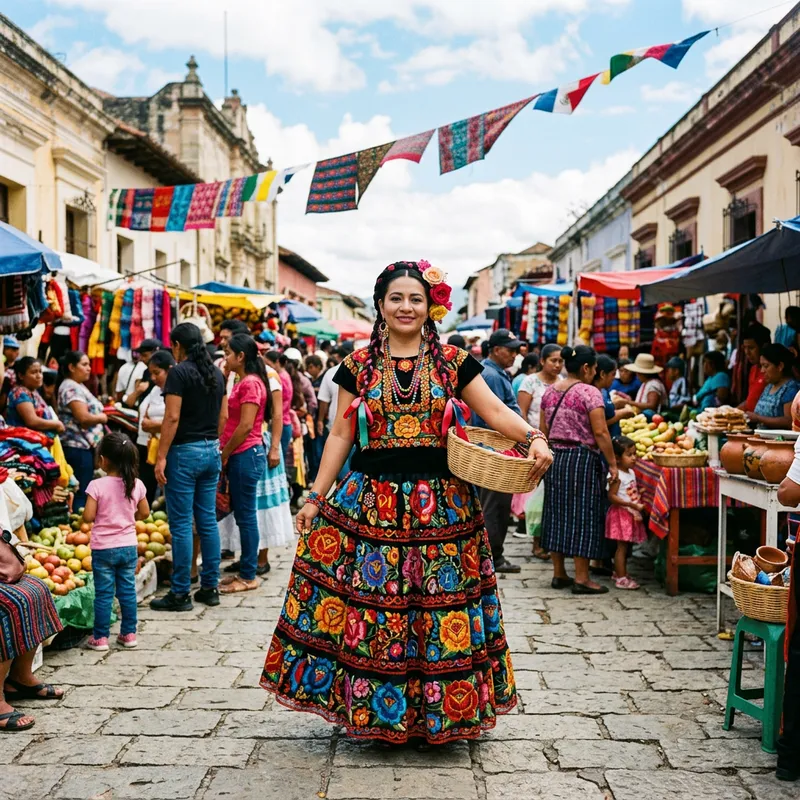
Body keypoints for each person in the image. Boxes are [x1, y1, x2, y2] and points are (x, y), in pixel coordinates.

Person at [261, 259, 552, 746]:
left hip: (443, 507)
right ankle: (380, 715)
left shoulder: (454, 362)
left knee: (438, 610)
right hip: (371, 506)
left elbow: (495, 411)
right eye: (396, 298)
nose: (406, 307)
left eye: (415, 298)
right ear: (380, 305)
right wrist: (315, 496)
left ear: (429, 306)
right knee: (379, 610)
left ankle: (441, 714)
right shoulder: (356, 366)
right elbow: (340, 434)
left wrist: (533, 437)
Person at [151, 323, 226, 612]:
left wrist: (161, 456)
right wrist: (211, 443)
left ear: (177, 346)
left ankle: (180, 592)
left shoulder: (178, 373)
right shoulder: (216, 374)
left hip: (184, 452)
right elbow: (223, 417)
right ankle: (210, 587)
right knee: (207, 520)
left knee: (181, 523)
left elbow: (171, 418)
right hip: (210, 450)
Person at [540, 345, 617, 595]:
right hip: (581, 458)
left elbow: (543, 430)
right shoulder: (590, 392)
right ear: (586, 368)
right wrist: (613, 463)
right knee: (583, 515)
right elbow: (601, 431)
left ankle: (559, 573)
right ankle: (582, 578)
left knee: (556, 512)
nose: (594, 372)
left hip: (555, 456)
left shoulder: (550, 391)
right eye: (594, 368)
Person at [83, 433, 149, 650]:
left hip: (103, 548)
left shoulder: (96, 485)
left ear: (103, 460)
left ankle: (100, 638)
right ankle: (129, 634)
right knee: (127, 591)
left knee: (104, 594)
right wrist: (128, 517)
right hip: (128, 546)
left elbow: (88, 516)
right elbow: (145, 513)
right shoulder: (136, 484)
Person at [218, 334, 270, 593]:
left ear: (241, 356)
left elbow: (246, 425)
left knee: (246, 516)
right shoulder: (245, 381)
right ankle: (246, 570)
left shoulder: (250, 383)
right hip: (243, 454)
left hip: (245, 454)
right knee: (243, 515)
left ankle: (249, 575)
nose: (225, 358)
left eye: (228, 353)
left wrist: (225, 452)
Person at [470, 328, 525, 573]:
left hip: (498, 449)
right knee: (494, 507)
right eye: (510, 350)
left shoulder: (496, 372)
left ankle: (492, 555)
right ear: (495, 349)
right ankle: (493, 557)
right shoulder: (490, 375)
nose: (514, 355)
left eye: (516, 350)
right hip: (495, 451)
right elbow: (491, 417)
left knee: (496, 506)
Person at [517, 344, 564, 561]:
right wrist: (528, 442)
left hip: (557, 445)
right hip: (535, 445)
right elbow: (521, 414)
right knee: (538, 496)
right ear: (542, 361)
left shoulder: (563, 382)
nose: (557, 365)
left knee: (552, 495)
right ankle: (537, 542)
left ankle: (552, 541)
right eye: (553, 360)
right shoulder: (530, 382)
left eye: (560, 361)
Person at [57, 350, 108, 509]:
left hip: (83, 447)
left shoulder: (77, 386)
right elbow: (84, 418)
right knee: (80, 491)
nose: (89, 368)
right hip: (76, 446)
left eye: (89, 365)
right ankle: (77, 520)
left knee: (83, 488)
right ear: (72, 367)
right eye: (84, 364)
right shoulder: (70, 388)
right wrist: (103, 417)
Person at [605, 436, 646, 591]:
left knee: (625, 547)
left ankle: (620, 572)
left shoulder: (630, 472)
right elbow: (612, 496)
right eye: (629, 455)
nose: (634, 458)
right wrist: (630, 504)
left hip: (629, 514)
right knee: (621, 548)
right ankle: (621, 578)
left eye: (635, 454)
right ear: (617, 458)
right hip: (621, 515)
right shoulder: (617, 477)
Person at [137, 350, 175, 504]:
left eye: (157, 373)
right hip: (153, 447)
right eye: (151, 373)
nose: (153, 378)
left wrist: (155, 425)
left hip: (172, 449)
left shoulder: (177, 391)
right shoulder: (155, 390)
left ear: (169, 370)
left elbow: (177, 420)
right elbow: (145, 418)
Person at [5, 357, 65, 435]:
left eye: (40, 372)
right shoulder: (20, 393)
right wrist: (56, 424)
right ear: (21, 375)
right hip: (24, 439)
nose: (39, 376)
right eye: (34, 372)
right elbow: (31, 421)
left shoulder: (33, 391)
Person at [748, 344, 800, 430]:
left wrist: (758, 418)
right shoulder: (769, 387)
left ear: (780, 366)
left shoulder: (791, 388)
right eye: (761, 366)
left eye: (766, 366)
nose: (762, 371)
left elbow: (789, 421)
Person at [265, 351, 294, 471]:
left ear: (277, 362)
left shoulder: (277, 378)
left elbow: (277, 409)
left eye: (267, 364)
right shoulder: (284, 375)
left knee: (276, 463)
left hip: (280, 424)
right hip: (284, 422)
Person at [594, 354, 633, 439]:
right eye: (613, 374)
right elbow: (598, 426)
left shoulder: (604, 391)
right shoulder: (594, 396)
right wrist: (622, 413)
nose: (614, 378)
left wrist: (615, 405)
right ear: (602, 374)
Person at [115, 339, 161, 407]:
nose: (141, 359)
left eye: (145, 355)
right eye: (141, 355)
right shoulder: (145, 372)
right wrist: (138, 391)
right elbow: (130, 402)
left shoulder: (167, 375)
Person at [738, 324, 771, 413]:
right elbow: (751, 401)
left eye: (751, 348)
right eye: (745, 348)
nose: (747, 352)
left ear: (764, 346)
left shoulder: (772, 372)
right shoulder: (753, 369)